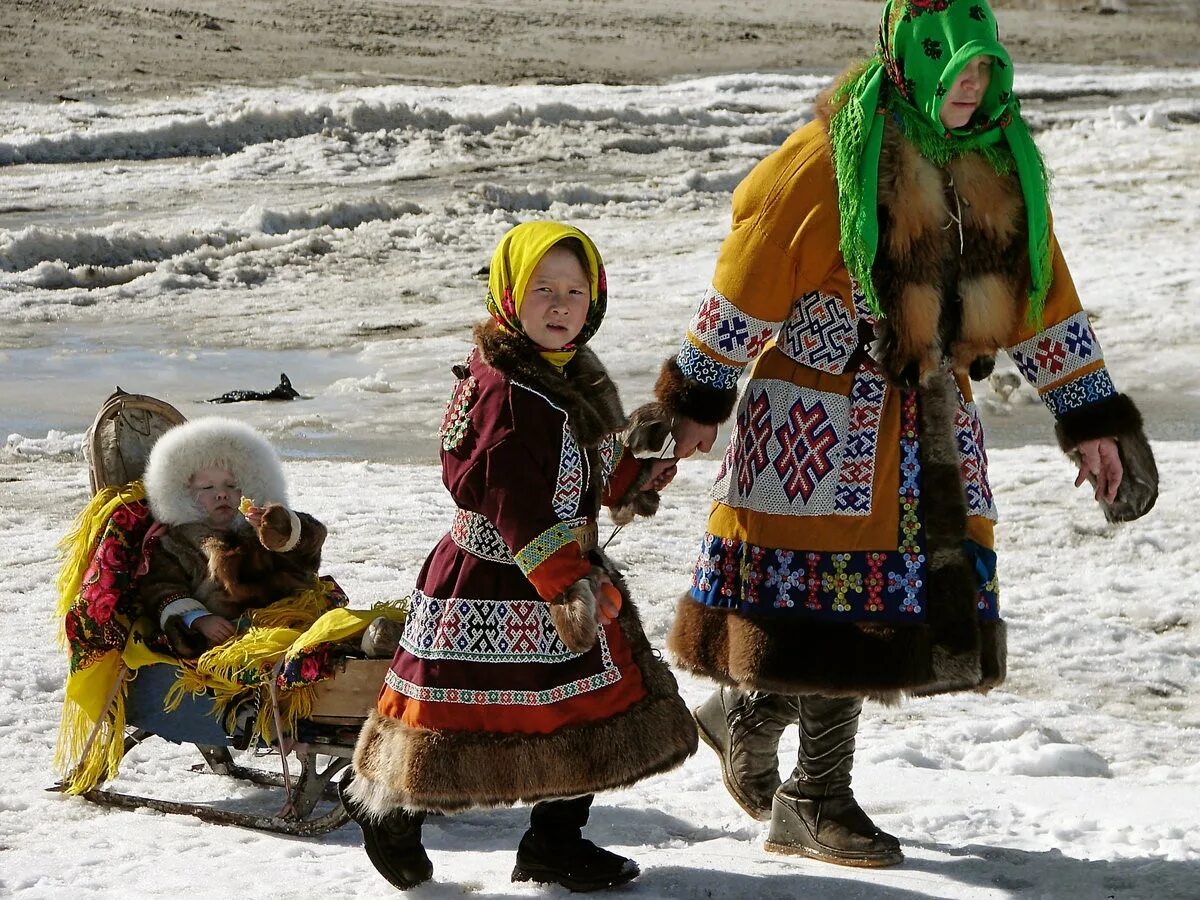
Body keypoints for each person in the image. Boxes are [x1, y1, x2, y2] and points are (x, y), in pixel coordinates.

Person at [631, 0, 1159, 869]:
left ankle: (750, 715)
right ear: (914, 63)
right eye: (957, 73)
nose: (973, 88)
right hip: (820, 425)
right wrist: (693, 398)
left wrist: (1092, 413)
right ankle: (815, 798)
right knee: (842, 616)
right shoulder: (828, 163)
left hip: (929, 431)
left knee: (880, 612)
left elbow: (1041, 296)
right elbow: (747, 281)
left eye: (986, 70)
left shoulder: (1000, 161)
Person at [340, 221, 698, 892]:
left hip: (562, 572)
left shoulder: (567, 373)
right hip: (493, 579)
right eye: (542, 290)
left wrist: (635, 470)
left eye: (574, 290)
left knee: (589, 708)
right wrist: (571, 588)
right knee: (450, 718)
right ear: (507, 295)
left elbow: (582, 464)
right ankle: (389, 815)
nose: (561, 306)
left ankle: (555, 844)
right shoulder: (508, 395)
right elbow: (517, 505)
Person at [138, 416, 328, 660]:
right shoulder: (176, 543)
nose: (221, 495)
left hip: (288, 619)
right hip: (227, 637)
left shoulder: (262, 524)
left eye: (231, 485)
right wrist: (198, 619)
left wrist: (281, 530)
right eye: (207, 488)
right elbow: (162, 588)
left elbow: (310, 547)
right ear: (182, 493)